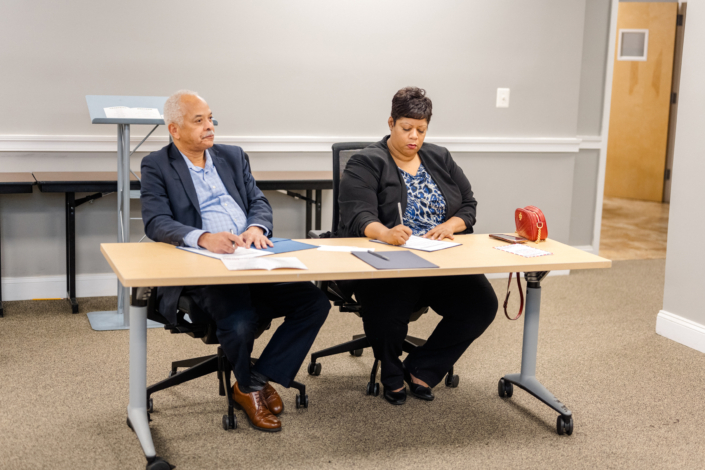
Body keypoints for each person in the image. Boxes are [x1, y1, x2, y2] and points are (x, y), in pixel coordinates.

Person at [140, 90, 330, 431]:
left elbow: (258, 201)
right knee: (241, 321)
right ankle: (251, 387)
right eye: (199, 121)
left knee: (314, 302)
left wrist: (256, 226)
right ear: (174, 130)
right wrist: (204, 238)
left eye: (211, 118)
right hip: (204, 267)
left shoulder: (232, 156)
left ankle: (251, 381)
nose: (209, 127)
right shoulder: (157, 165)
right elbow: (156, 222)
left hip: (251, 257)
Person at [337, 87, 498, 405]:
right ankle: (392, 373)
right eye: (406, 128)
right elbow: (358, 216)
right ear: (391, 123)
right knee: (387, 309)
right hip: (388, 258)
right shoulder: (366, 161)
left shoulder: (439, 157)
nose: (414, 137)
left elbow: (468, 205)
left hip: (440, 258)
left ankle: (422, 368)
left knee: (481, 306)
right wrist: (386, 233)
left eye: (421, 130)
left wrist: (450, 226)